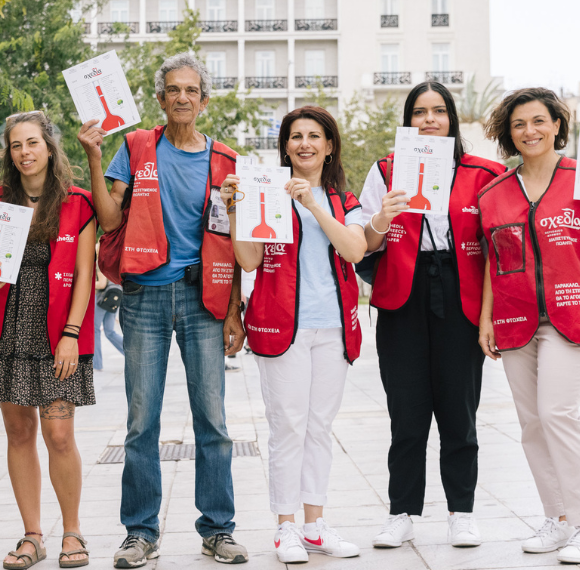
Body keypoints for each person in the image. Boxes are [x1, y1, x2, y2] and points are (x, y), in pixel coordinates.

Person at [78, 53, 248, 568]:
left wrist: (234, 312)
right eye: (172, 89)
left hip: (205, 299)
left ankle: (218, 529)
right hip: (145, 296)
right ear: (159, 99)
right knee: (140, 420)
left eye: (191, 90)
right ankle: (140, 532)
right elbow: (109, 221)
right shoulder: (135, 147)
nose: (181, 97)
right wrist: (93, 154)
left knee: (213, 420)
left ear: (204, 99)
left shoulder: (227, 162)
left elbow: (236, 243)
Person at [478, 88, 580, 564]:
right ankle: (558, 519)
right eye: (519, 124)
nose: (530, 131)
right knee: (533, 423)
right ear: (509, 133)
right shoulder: (495, 192)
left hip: (573, 310)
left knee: (558, 413)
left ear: (558, 125)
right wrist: (486, 318)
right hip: (516, 317)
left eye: (539, 121)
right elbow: (492, 261)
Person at [360, 82, 507, 549]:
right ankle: (401, 511)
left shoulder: (484, 174)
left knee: (459, 409)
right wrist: (383, 216)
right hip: (403, 294)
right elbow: (364, 243)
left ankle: (461, 511)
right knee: (406, 412)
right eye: (419, 112)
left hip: (461, 293)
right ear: (407, 121)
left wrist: (491, 316)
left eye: (438, 111)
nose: (428, 120)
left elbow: (497, 245)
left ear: (452, 119)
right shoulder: (385, 172)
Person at [221, 107, 366, 563]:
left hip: (333, 329)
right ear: (284, 147)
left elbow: (355, 249)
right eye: (296, 136)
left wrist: (313, 204)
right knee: (288, 427)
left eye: (314, 136)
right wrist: (233, 209)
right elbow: (246, 260)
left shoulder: (344, 201)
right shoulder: (265, 192)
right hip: (281, 326)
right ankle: (285, 529)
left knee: (319, 427)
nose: (305, 143)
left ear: (329, 146)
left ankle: (315, 525)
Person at [0, 111, 97, 569]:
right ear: (8, 153)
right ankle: (32, 536)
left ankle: (72, 533)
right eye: (16, 145)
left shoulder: (77, 202)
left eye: (33, 142)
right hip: (6, 327)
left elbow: (83, 275)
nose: (25, 152)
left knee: (59, 433)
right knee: (19, 432)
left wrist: (72, 335)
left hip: (58, 329)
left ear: (50, 146)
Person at [93, 243, 124, 370]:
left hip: (103, 298)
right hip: (114, 297)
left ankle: (97, 364)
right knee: (109, 331)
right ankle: (132, 354)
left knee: (94, 330)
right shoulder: (113, 260)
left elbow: (101, 284)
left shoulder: (101, 262)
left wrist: (86, 283)